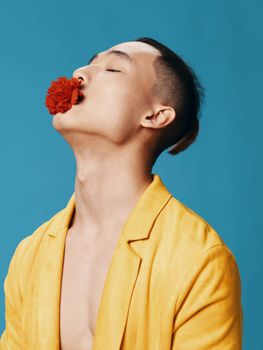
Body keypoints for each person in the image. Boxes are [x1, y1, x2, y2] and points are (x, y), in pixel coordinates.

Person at [0, 37, 243, 350]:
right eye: (90, 61)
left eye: (113, 69)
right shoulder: (29, 256)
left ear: (155, 116)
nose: (80, 72)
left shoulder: (199, 260)